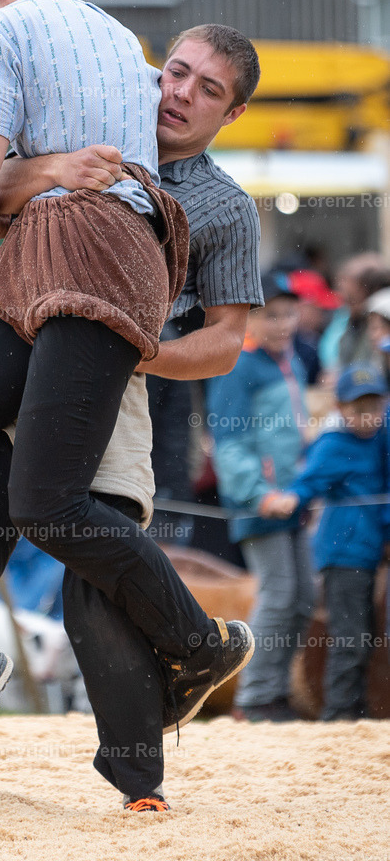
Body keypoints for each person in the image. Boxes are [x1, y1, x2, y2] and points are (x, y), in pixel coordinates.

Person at [0, 14, 263, 815]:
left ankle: (141, 792)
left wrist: (132, 345)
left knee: (96, 596)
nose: (181, 92)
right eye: (179, 70)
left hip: (112, 387)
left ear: (231, 116)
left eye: (209, 90)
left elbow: (228, 341)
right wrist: (51, 166)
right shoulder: (90, 127)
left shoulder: (226, 207)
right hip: (13, 354)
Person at [207, 273, 316, 721]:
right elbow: (227, 443)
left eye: (289, 312)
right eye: (272, 314)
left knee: (304, 594)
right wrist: (258, 493)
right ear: (249, 317)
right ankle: (253, 699)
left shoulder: (291, 361)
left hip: (294, 500)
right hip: (261, 502)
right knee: (279, 594)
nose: (284, 322)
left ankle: (276, 691)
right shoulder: (240, 364)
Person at [261, 364, 389, 720]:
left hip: (370, 552)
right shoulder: (334, 445)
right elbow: (308, 482)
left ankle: (358, 710)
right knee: (350, 637)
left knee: (366, 634)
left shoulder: (380, 440)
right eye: (358, 409)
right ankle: (339, 714)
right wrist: (290, 498)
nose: (368, 417)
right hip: (344, 555)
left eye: (375, 408)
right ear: (339, 408)